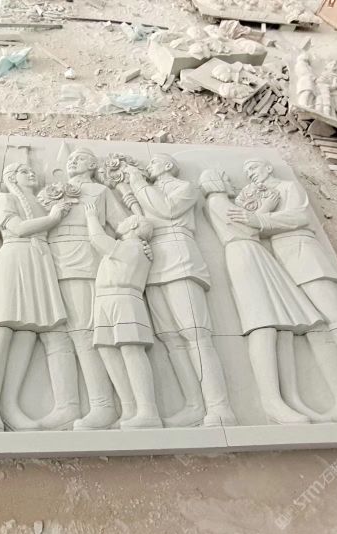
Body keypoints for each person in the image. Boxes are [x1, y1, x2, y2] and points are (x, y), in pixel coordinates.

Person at [227, 159, 337, 422]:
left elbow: (300, 217)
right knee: (316, 331)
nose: (250, 173)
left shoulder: (287, 187)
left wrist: (260, 218)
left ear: (268, 168)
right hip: (277, 261)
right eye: (247, 170)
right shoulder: (256, 195)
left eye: (253, 168)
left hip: (302, 254)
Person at [200, 169, 323, 424]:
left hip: (256, 253)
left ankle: (292, 399)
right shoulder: (217, 201)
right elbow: (247, 228)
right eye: (226, 178)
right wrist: (266, 207)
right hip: (243, 254)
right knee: (263, 324)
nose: (231, 181)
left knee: (283, 326)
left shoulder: (227, 202)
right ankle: (271, 401)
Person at [124, 154, 237, 428]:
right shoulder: (149, 190)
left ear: (166, 166)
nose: (149, 166)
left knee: (195, 333)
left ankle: (219, 407)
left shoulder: (184, 188)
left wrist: (138, 183)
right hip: (153, 259)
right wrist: (128, 192)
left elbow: (167, 210)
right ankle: (194, 406)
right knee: (170, 337)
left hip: (179, 253)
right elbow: (145, 219)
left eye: (154, 162)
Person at [0, 163, 71, 432]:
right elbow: (17, 228)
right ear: (12, 177)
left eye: (32, 171)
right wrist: (53, 218)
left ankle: (10, 406)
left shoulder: (42, 202)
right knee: (0, 331)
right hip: (14, 258)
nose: (31, 174)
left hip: (38, 263)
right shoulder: (5, 198)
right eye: (24, 171)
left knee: (28, 332)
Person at [46, 148, 131, 431]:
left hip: (82, 258)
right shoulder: (53, 191)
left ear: (93, 164)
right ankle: (66, 406)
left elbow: (122, 225)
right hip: (49, 260)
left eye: (80, 157)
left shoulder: (99, 191)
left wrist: (139, 236)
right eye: (70, 158)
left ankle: (103, 406)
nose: (72, 160)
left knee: (84, 332)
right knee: (55, 335)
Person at [84, 202, 162, 430]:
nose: (121, 221)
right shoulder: (130, 246)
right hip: (105, 300)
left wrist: (91, 216)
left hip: (124, 299)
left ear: (134, 225)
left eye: (126, 219)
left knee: (131, 350)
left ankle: (148, 411)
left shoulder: (133, 247)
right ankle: (129, 409)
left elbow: (98, 239)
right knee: (107, 351)